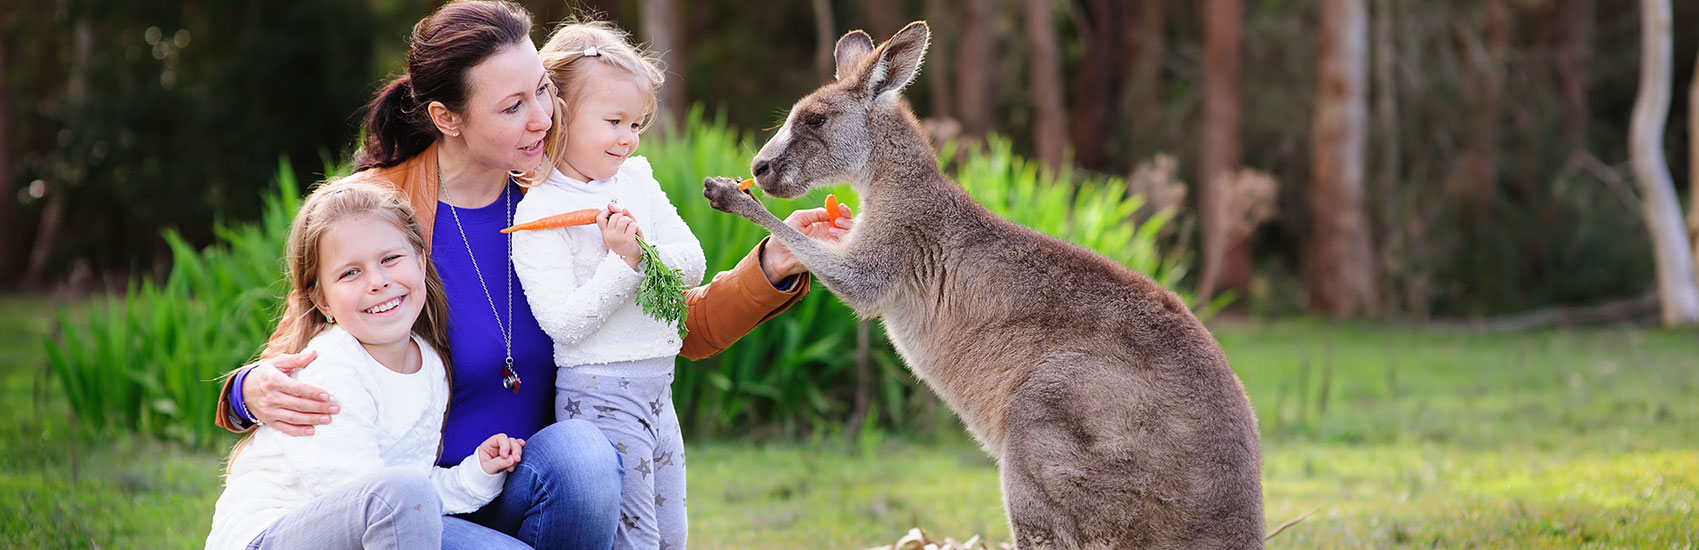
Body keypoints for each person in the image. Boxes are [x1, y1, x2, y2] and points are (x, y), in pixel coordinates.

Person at [209, 2, 851, 548]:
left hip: (515, 482)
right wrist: (244, 391)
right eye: (513, 105)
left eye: (543, 90)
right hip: (413, 501)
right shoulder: (381, 213)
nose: (543, 118)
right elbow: (304, 352)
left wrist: (774, 262)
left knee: (586, 455)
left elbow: (675, 322)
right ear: (447, 118)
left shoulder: (561, 195)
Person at [206, 181, 527, 550]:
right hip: (272, 534)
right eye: (350, 273)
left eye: (390, 259)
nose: (378, 282)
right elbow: (376, 500)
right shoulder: (333, 369)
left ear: (420, 261)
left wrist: (476, 473)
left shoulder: (429, 363)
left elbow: (414, 494)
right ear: (322, 300)